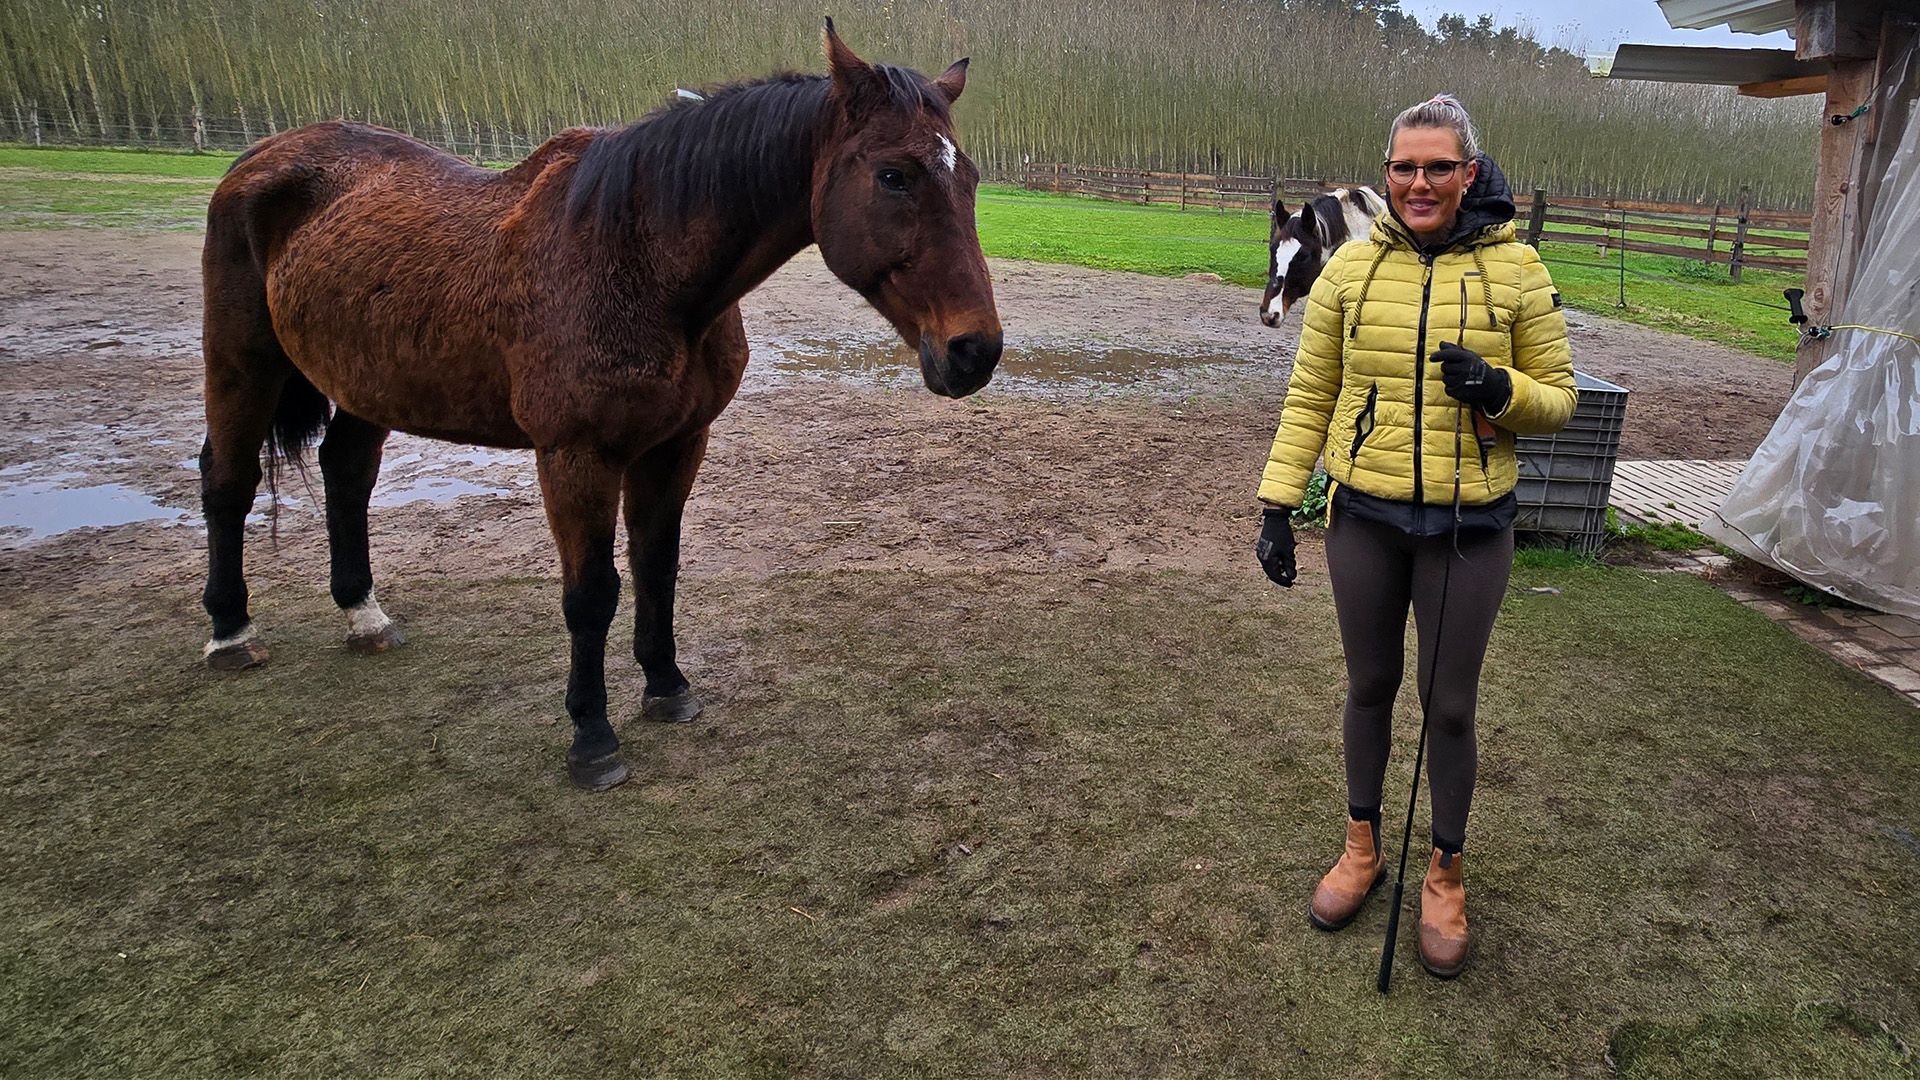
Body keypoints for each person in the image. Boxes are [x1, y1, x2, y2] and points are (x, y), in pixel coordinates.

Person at [1253, 94, 1575, 979]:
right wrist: (1278, 505)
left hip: (1470, 526)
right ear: (1385, 173)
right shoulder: (1352, 274)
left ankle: (1445, 871)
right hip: (1364, 517)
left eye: (1439, 167)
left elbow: (1560, 398)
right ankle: (1362, 847)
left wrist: (1500, 387)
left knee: (1450, 706)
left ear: (1469, 174)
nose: (1421, 182)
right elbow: (1311, 394)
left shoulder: (1520, 274)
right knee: (1369, 685)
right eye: (1405, 167)